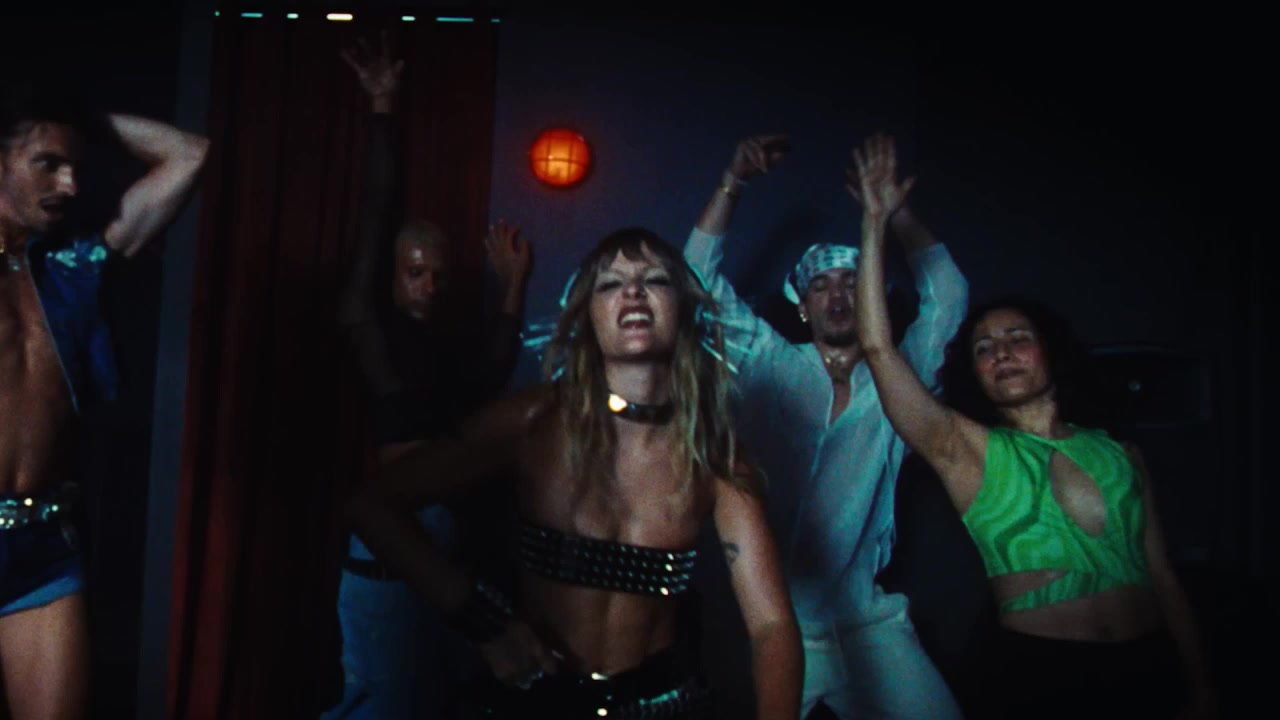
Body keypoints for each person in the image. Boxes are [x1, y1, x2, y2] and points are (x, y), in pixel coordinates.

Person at [347, 227, 803, 719]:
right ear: (589, 314)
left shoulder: (714, 455)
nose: (633, 292)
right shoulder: (532, 421)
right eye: (610, 284)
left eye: (655, 280)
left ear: (684, 307)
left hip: (659, 706)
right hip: (533, 703)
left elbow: (772, 626)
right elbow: (372, 504)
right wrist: (483, 622)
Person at [849, 132, 1217, 718]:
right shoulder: (968, 450)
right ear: (974, 374)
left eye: (1017, 337)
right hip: (1035, 677)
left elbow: (1163, 575)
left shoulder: (1121, 453)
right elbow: (878, 348)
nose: (1001, 352)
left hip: (1147, 672)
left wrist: (1200, 688)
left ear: (1050, 351)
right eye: (984, 347)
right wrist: (875, 223)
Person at [683, 135, 966, 719]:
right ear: (803, 304)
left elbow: (947, 295)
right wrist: (733, 180)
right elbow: (695, 278)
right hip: (765, 616)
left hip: (864, 621)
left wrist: (894, 213)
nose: (837, 295)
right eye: (821, 285)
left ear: (872, 296)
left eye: (851, 283)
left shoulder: (901, 379)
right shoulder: (767, 361)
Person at [322, 36, 532, 720]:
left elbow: (491, 376)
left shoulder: (438, 349)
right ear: (390, 274)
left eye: (439, 275)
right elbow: (377, 208)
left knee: (435, 702)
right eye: (416, 272)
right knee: (385, 704)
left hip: (446, 544)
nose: (430, 286)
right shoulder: (368, 324)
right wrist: (383, 105)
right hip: (391, 543)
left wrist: (513, 283)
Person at [0, 81, 207, 718]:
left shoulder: (74, 264)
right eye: (47, 164)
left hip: (41, 543)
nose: (68, 185)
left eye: (75, 168)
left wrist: (80, 116)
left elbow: (189, 153)